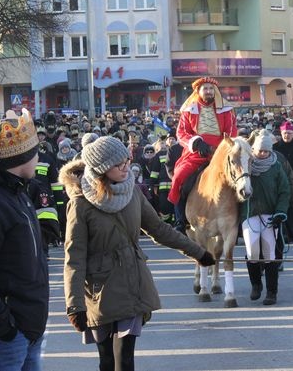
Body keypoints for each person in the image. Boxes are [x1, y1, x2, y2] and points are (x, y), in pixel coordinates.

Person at [61, 136, 216, 371]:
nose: (126, 168)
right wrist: (74, 306)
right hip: (98, 290)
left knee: (125, 360)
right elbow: (75, 257)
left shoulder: (133, 192)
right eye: (119, 164)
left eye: (127, 161)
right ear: (102, 169)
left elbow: (159, 229)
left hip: (132, 282)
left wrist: (198, 252)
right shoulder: (80, 204)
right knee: (107, 362)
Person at [0, 109, 49, 371]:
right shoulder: (3, 202)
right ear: (22, 158)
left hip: (30, 327)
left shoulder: (20, 195)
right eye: (35, 153)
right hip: (10, 336)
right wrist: (6, 328)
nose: (39, 158)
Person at [169, 77, 237, 233]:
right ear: (198, 91)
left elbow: (231, 131)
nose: (209, 91)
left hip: (220, 153)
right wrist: (196, 143)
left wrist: (222, 148)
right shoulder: (189, 110)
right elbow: (181, 133)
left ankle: (238, 219)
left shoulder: (226, 110)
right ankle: (180, 220)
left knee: (239, 179)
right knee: (179, 177)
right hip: (195, 153)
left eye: (211, 89)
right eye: (205, 89)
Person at [241, 129, 290, 306]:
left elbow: (285, 191)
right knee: (252, 251)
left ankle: (271, 292)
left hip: (271, 215)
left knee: (269, 253)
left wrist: (280, 212)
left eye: (266, 151)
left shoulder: (276, 167)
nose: (262, 154)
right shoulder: (245, 166)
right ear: (253, 150)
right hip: (250, 213)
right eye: (260, 150)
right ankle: (256, 285)